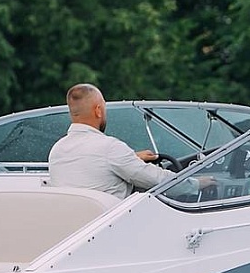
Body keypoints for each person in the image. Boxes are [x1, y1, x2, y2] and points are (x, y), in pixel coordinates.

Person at [47, 83, 177, 198]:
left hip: (77, 218)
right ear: (98, 111)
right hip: (115, 217)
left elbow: (89, 164)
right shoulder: (110, 148)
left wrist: (132, 158)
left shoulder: (57, 150)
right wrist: (189, 181)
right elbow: (158, 180)